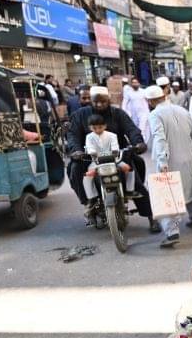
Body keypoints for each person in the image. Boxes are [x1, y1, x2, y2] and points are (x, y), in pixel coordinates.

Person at [66, 86, 154, 231]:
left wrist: (138, 143)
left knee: (135, 176)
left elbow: (131, 129)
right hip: (89, 157)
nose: (99, 105)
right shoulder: (80, 115)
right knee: (75, 170)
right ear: (91, 101)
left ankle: (151, 217)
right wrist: (76, 151)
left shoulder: (118, 113)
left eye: (103, 101)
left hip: (117, 155)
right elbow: (73, 135)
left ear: (109, 100)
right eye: (96, 102)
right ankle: (89, 202)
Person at [143, 85, 192, 247]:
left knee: (168, 194)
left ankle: (172, 232)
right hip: (188, 157)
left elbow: (159, 138)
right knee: (191, 187)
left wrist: (162, 161)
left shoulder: (155, 114)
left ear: (151, 101)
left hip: (170, 161)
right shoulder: (182, 111)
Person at [83, 113, 133, 194]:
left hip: (114, 160)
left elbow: (115, 147)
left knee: (127, 168)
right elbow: (90, 148)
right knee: (89, 174)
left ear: (105, 126)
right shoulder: (89, 137)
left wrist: (114, 152)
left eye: (100, 127)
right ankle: (92, 197)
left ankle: (130, 189)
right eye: (94, 128)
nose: (97, 130)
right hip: (96, 162)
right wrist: (93, 153)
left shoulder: (112, 135)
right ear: (90, 128)